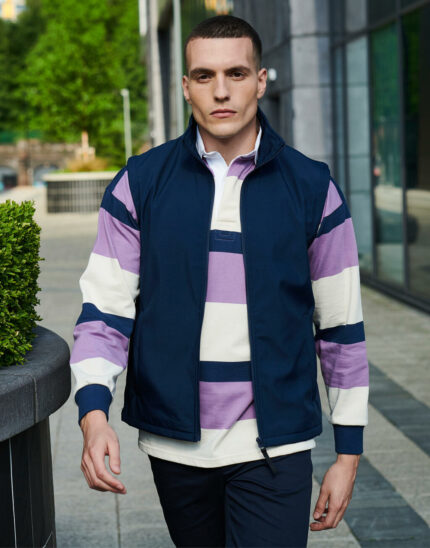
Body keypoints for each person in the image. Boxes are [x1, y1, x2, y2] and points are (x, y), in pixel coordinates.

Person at [70, 14, 369, 548]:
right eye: (205, 76)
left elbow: (341, 328)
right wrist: (93, 415)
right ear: (186, 86)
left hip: (275, 448)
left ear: (261, 80)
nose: (222, 91)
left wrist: (348, 452)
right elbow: (105, 313)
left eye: (236, 73)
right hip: (175, 447)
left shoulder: (312, 187)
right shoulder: (140, 183)